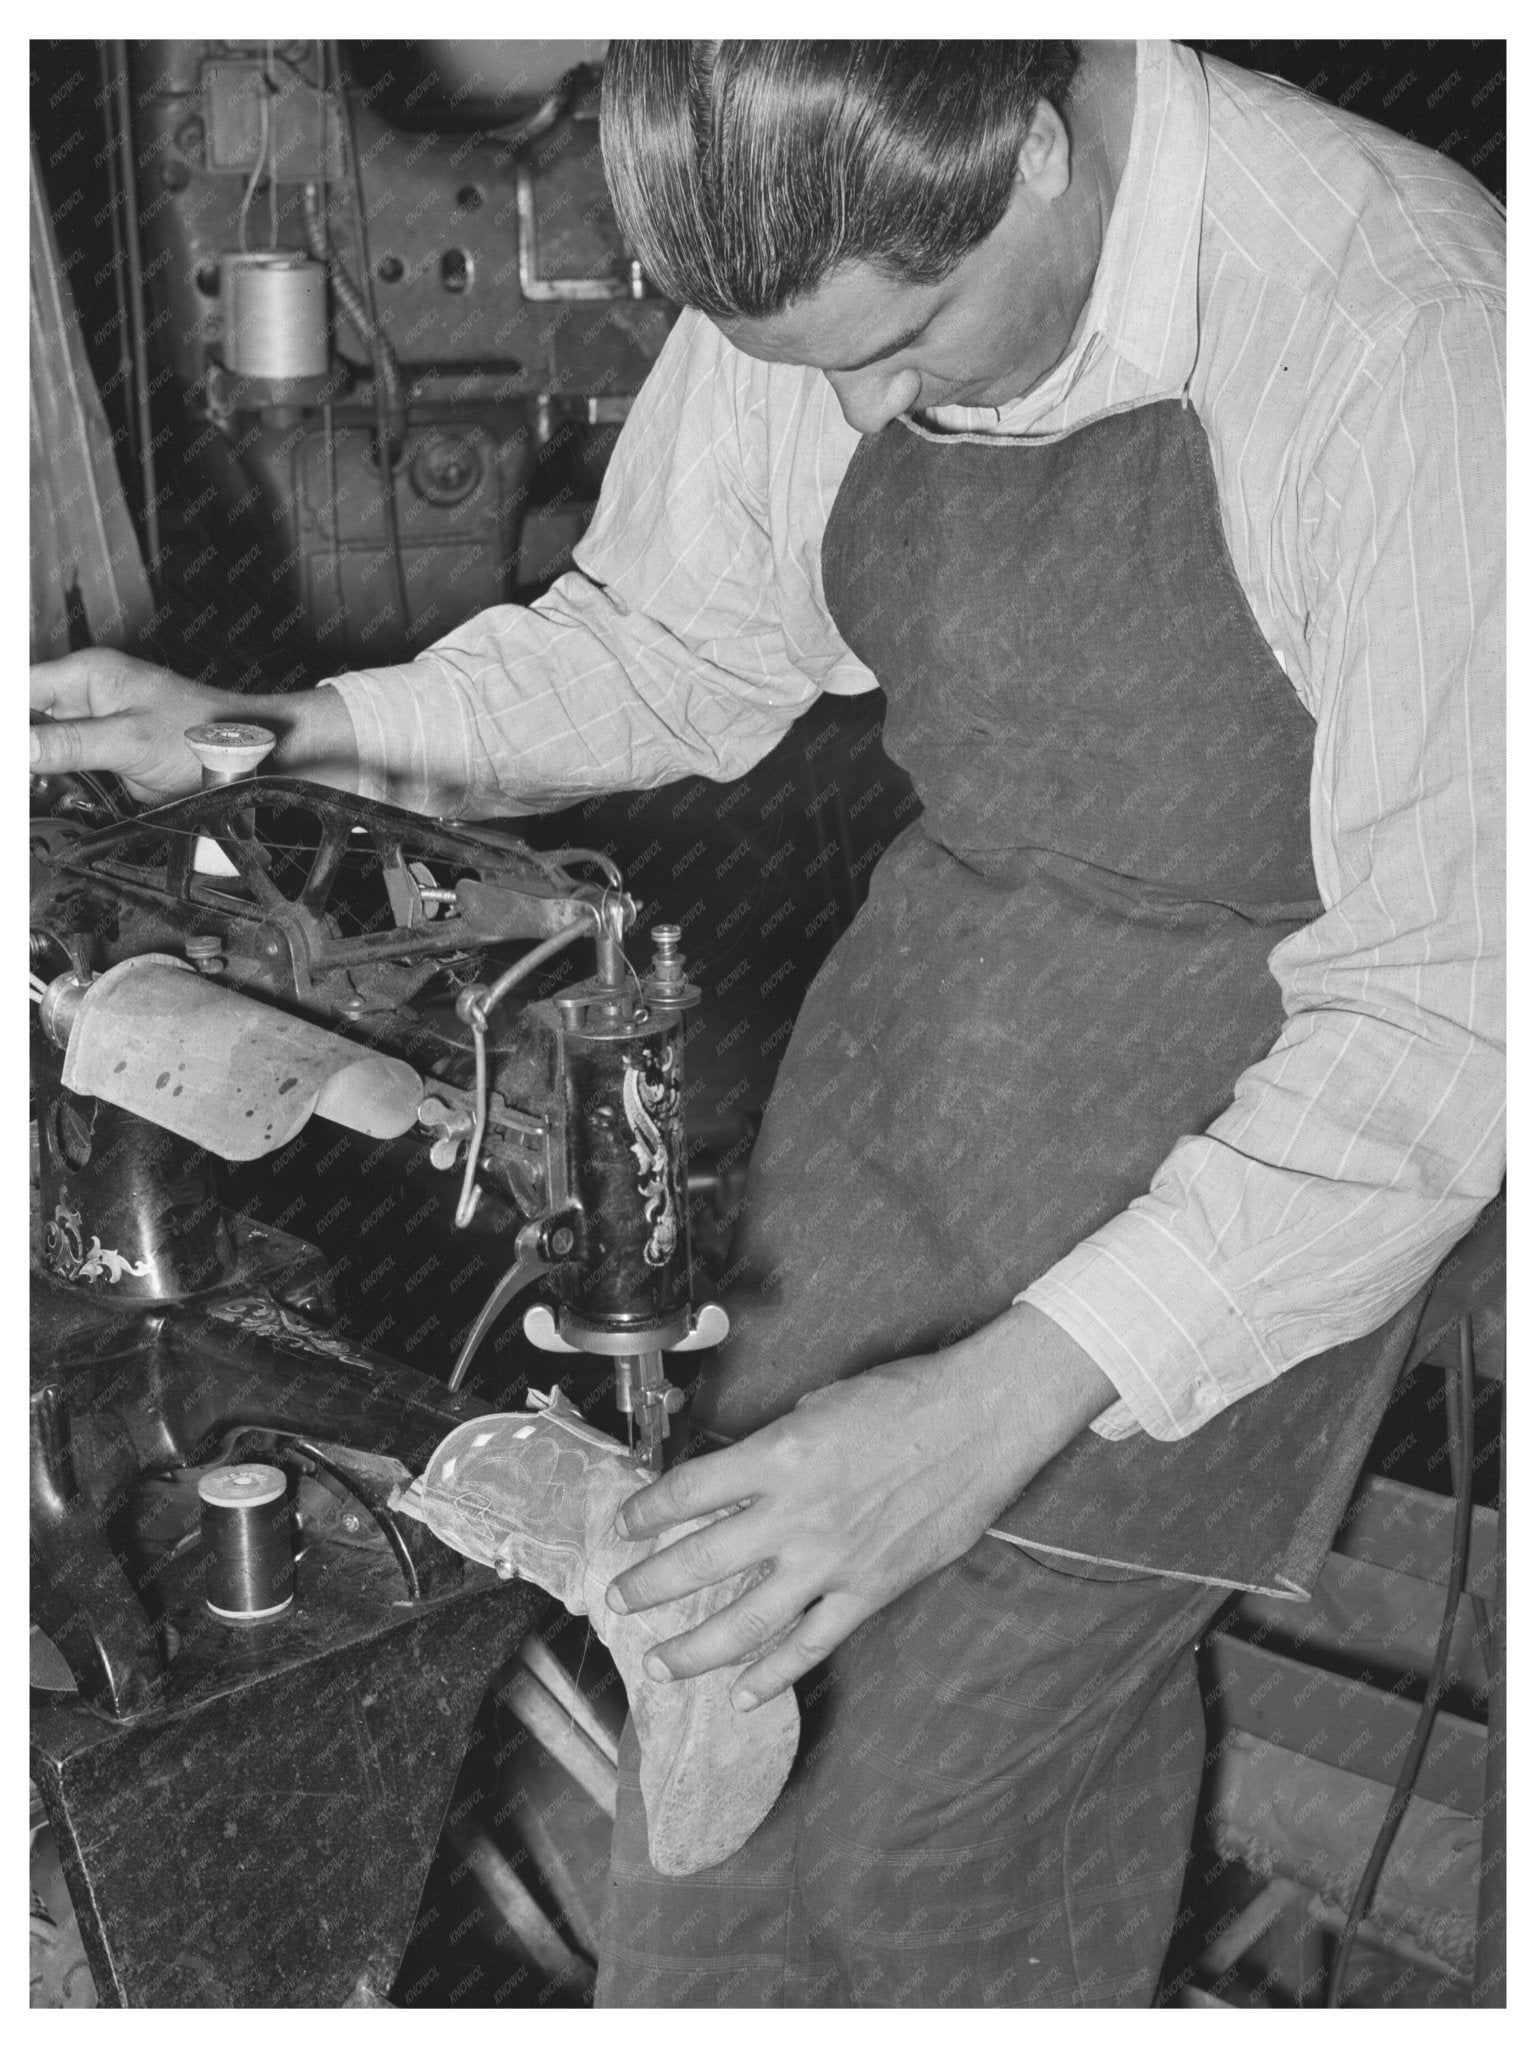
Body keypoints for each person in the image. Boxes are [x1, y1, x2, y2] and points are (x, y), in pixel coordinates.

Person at [31, 41, 1503, 2007]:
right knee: (711, 1730)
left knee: (940, 1817)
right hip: (910, 1084)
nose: (864, 409)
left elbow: (1442, 1024)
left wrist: (990, 1406)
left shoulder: (1404, 337)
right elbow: (680, 648)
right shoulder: (818, 198)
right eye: (807, 363)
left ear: (1044, 154)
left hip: (1241, 1152)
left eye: (903, 341)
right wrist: (283, 726)